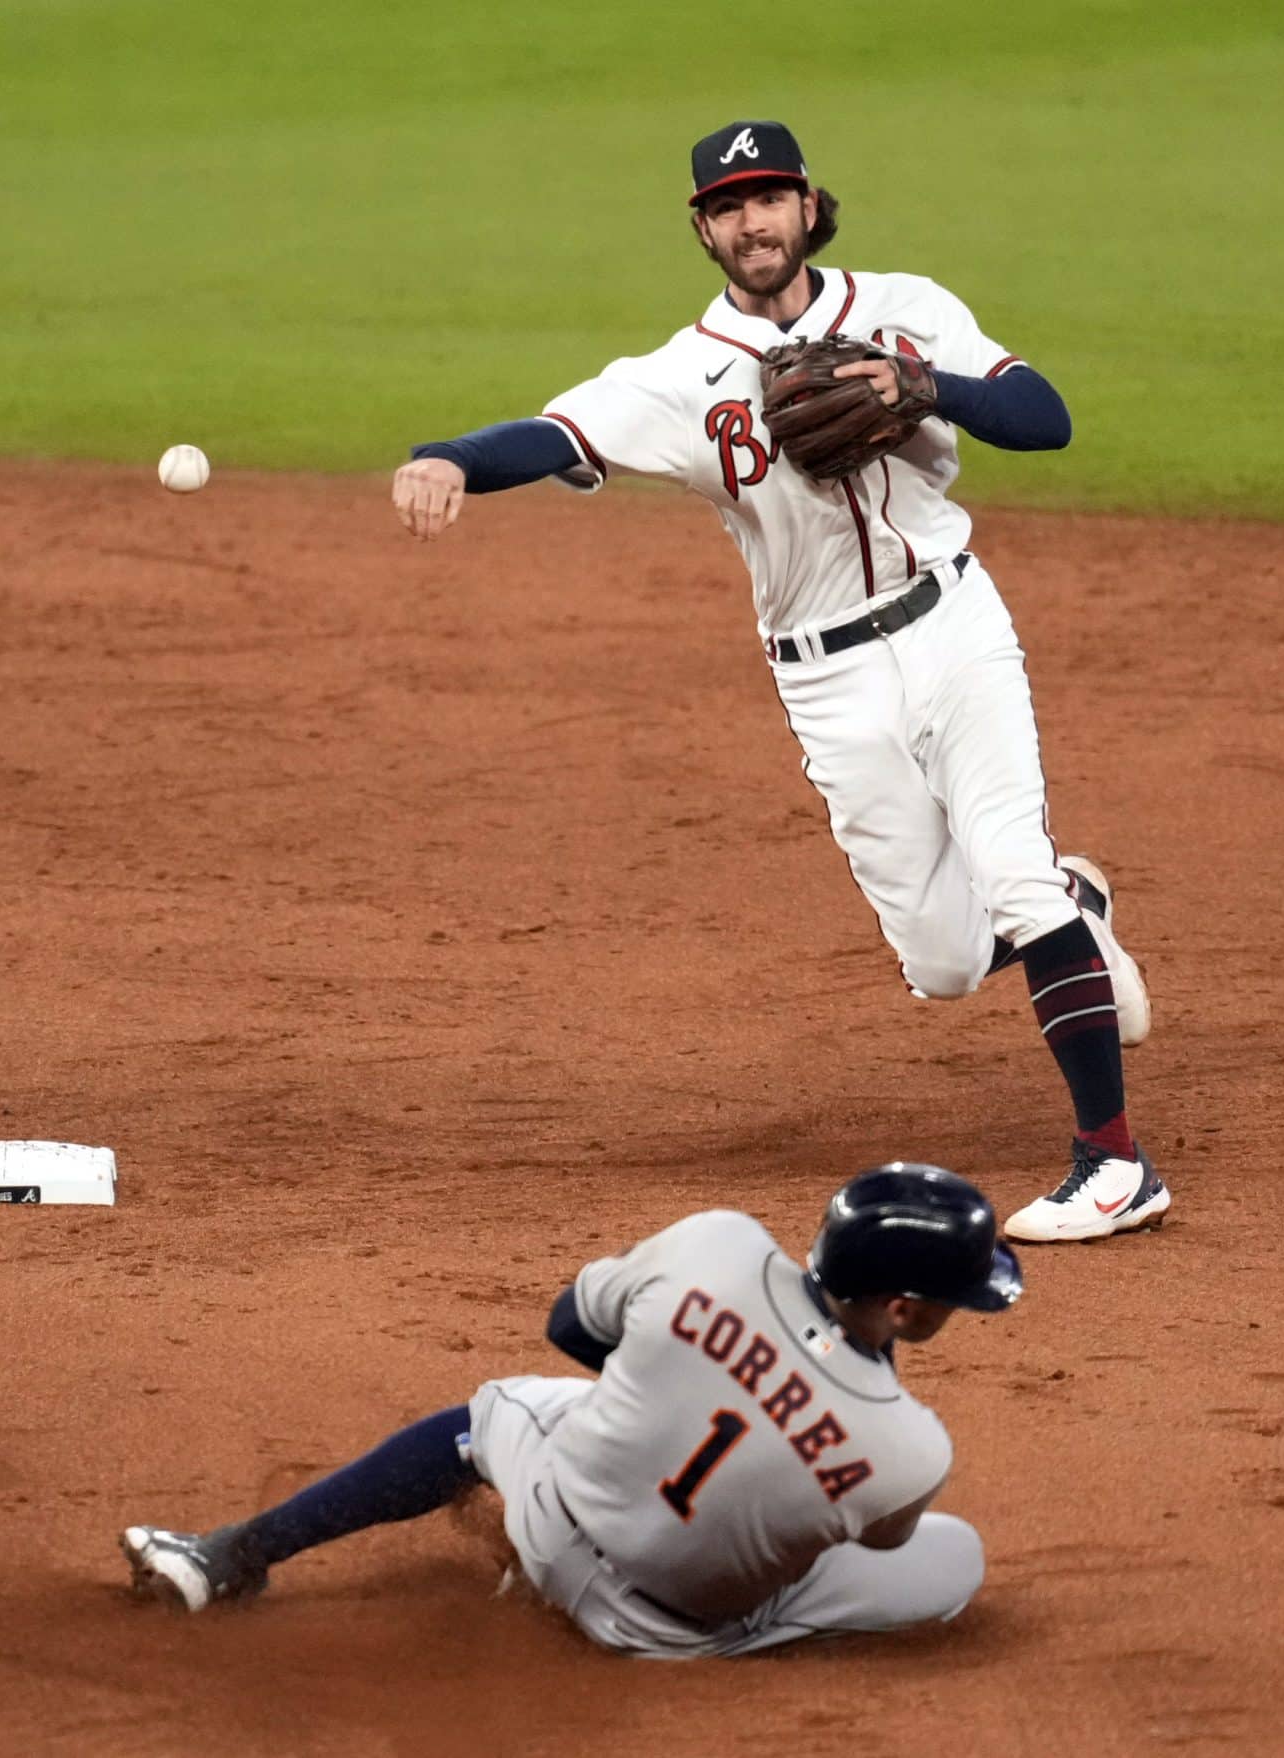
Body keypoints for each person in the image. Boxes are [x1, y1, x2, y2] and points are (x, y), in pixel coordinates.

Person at [389, 120, 1168, 1243]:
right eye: (728, 206)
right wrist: (449, 457)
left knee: (1011, 874)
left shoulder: (906, 304)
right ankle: (1074, 910)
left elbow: (1043, 421)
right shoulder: (678, 374)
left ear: (809, 206)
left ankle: (1113, 1163)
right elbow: (556, 430)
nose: (752, 221)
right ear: (702, 230)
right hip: (827, 679)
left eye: (770, 198)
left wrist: (920, 384)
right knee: (945, 965)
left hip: (953, 626)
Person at [122, 1165, 1018, 1657]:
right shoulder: (910, 1447)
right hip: (661, 1632)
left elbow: (569, 1325)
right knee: (955, 1557)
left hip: (555, 1518)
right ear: (902, 1308)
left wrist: (669, 1383)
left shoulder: (719, 1244)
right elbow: (877, 1539)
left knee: (492, 1414)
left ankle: (226, 1557)